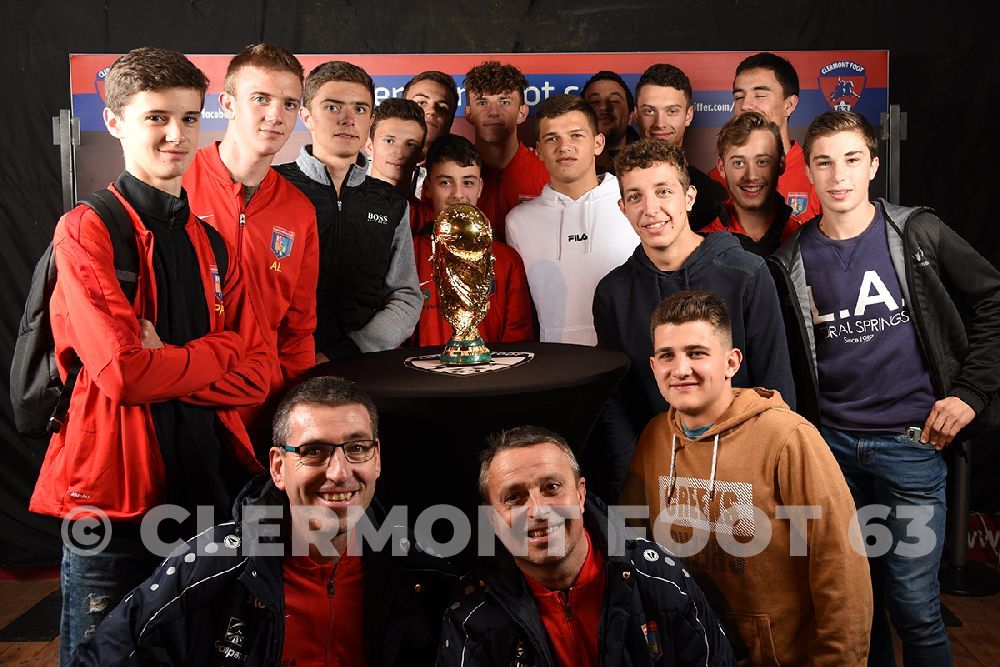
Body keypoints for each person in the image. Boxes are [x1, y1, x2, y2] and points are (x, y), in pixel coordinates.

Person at [27, 47, 275, 664]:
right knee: (102, 657)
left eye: (189, 118)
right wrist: (221, 349)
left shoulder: (211, 240)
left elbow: (259, 372)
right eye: (156, 118)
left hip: (203, 487)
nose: (176, 135)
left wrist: (181, 357)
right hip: (112, 502)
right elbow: (124, 375)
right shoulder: (87, 229)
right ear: (114, 122)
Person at [771, 110, 1000, 666]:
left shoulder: (915, 231)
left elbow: (993, 300)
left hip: (912, 446)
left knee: (915, 609)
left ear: (873, 165)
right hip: (833, 453)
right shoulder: (790, 260)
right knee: (858, 607)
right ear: (808, 172)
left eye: (852, 159)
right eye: (824, 163)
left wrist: (969, 394)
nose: (839, 175)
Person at [72, 376, 456, 666]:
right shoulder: (206, 568)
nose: (339, 472)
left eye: (357, 448)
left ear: (377, 460)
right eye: (314, 451)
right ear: (278, 467)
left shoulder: (420, 570)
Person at [620, 290, 872, 666]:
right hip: (687, 653)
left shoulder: (787, 437)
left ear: (731, 362)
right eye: (667, 355)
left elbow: (840, 564)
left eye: (697, 353)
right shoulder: (655, 436)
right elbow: (632, 546)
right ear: (654, 366)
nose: (681, 369)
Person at [591, 138, 793, 502]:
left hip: (743, 476)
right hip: (661, 478)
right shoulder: (613, 293)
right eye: (635, 197)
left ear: (689, 197)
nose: (650, 209)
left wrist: (769, 479)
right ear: (623, 208)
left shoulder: (747, 274)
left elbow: (775, 386)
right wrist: (632, 487)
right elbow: (616, 403)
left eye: (663, 191)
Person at [438, 425, 734, 666]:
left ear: (580, 495)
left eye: (551, 487)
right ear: (492, 518)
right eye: (514, 497)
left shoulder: (661, 578)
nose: (538, 510)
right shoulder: (471, 615)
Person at [183, 43, 318, 449]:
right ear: (227, 104)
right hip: (183, 401)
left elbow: (298, 330)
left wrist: (294, 410)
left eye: (289, 103)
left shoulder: (299, 209)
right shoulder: (176, 183)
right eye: (261, 99)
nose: (276, 115)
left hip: (261, 409)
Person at [276, 60, 421, 362]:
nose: (348, 119)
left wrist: (349, 350)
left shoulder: (391, 204)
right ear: (306, 116)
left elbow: (405, 296)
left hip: (360, 366)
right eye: (332, 107)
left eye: (359, 109)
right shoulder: (271, 187)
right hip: (278, 365)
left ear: (370, 120)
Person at [506, 94, 637, 345]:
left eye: (576, 135)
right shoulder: (518, 222)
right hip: (557, 362)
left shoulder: (634, 205)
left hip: (627, 360)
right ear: (539, 151)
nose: (564, 146)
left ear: (598, 143)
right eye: (552, 138)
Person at [409, 134, 534, 347]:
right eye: (446, 182)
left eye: (468, 182)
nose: (458, 194)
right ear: (427, 187)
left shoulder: (507, 260)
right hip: (423, 369)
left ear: (480, 187)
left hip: (490, 368)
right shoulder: (408, 255)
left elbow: (518, 341)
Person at [710, 52, 821, 222]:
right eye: (739, 97)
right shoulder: (715, 179)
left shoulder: (817, 174)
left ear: (789, 104)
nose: (745, 105)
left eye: (760, 95)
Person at [633, 63, 727, 230]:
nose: (660, 123)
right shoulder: (611, 187)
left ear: (688, 115)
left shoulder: (712, 196)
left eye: (672, 111)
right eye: (649, 111)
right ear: (636, 114)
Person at [464, 60, 549, 242]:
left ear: (522, 113)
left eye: (504, 102)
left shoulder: (548, 171)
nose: (493, 112)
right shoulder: (454, 175)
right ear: (469, 114)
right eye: (482, 102)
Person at [701, 111, 800, 256]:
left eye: (762, 162)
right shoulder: (703, 246)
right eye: (739, 163)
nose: (751, 176)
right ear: (722, 168)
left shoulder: (802, 242)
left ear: (781, 164)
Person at [403, 70, 459, 197]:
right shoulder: (367, 170)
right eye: (421, 103)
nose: (432, 110)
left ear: (450, 122)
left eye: (442, 108)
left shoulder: (461, 178)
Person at [365, 96, 427, 198]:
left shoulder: (429, 210)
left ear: (421, 155)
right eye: (389, 141)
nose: (399, 153)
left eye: (410, 145)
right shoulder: (342, 205)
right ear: (369, 146)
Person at [581, 70, 639, 175]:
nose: (604, 107)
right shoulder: (569, 161)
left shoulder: (651, 161)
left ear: (631, 116)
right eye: (595, 102)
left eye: (614, 101)